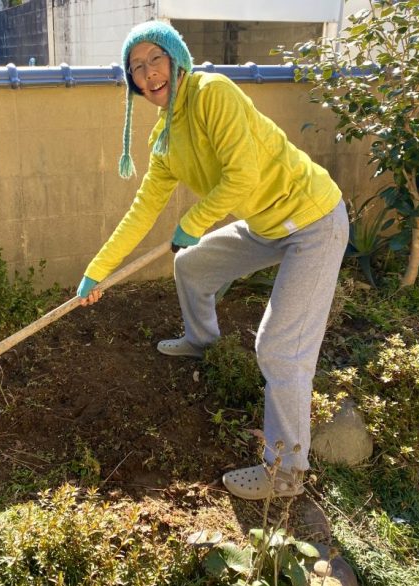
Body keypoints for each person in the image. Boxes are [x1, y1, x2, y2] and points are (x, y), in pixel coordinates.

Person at [76, 21, 348, 501]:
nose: (148, 72)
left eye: (155, 58)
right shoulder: (165, 138)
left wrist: (195, 221)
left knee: (279, 349)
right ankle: (202, 341)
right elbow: (142, 211)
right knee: (192, 265)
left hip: (313, 221)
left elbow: (242, 175)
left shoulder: (212, 93)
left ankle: (285, 473)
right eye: (136, 66)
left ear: (176, 60)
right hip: (266, 224)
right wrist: (97, 271)